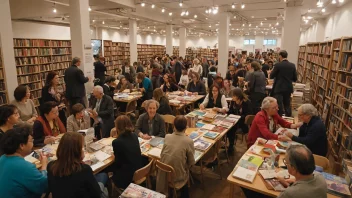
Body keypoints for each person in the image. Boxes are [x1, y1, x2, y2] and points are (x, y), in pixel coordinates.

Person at [47, 132, 108, 198]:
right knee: (104, 176)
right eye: (82, 148)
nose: (83, 150)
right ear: (77, 151)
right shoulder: (84, 170)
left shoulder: (51, 166)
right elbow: (96, 193)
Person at [0, 127, 48, 198]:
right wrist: (44, 166)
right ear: (22, 145)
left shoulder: (2, 158)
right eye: (31, 141)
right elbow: (44, 187)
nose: (33, 143)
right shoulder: (25, 167)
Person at [156, 116, 195, 197]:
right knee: (186, 170)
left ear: (174, 126)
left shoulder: (167, 136)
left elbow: (161, 154)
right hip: (178, 178)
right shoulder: (188, 141)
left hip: (163, 174)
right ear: (186, 127)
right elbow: (192, 162)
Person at [111, 115, 144, 188]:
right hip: (139, 171)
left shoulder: (117, 142)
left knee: (107, 170)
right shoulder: (134, 136)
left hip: (127, 178)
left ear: (117, 127)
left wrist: (114, 157)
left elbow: (118, 163)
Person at [269, 50, 298, 117]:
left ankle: (278, 118)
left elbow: (272, 76)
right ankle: (288, 118)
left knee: (278, 105)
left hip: (279, 88)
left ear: (280, 56)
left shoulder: (278, 65)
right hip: (288, 88)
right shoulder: (292, 65)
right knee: (287, 104)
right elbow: (295, 78)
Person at [227, 88, 252, 153]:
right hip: (234, 121)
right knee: (228, 127)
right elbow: (230, 112)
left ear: (238, 96)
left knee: (231, 129)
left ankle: (231, 146)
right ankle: (229, 144)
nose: (232, 97)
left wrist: (237, 117)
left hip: (243, 123)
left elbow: (248, 115)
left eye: (233, 96)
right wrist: (230, 115)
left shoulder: (246, 102)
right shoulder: (233, 102)